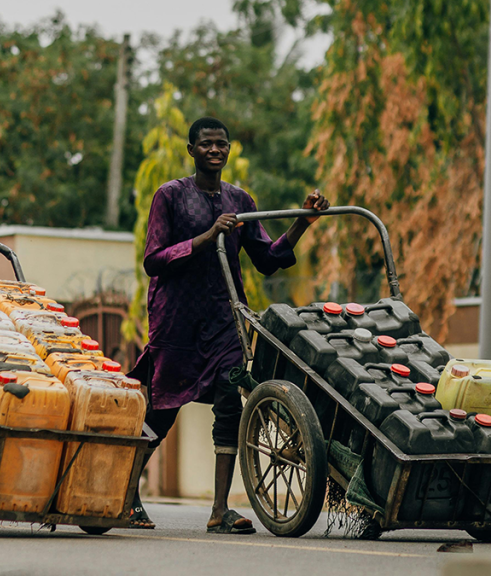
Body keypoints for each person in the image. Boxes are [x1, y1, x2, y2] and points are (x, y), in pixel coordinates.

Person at [128, 117, 329, 533]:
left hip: (224, 319)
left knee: (229, 405)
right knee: (163, 409)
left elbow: (267, 259)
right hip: (176, 320)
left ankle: (220, 510)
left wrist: (302, 223)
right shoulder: (169, 195)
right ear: (192, 150)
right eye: (206, 145)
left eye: (221, 144)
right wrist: (206, 237)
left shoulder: (240, 199)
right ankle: (126, 494)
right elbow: (153, 260)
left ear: (229, 149)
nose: (215, 150)